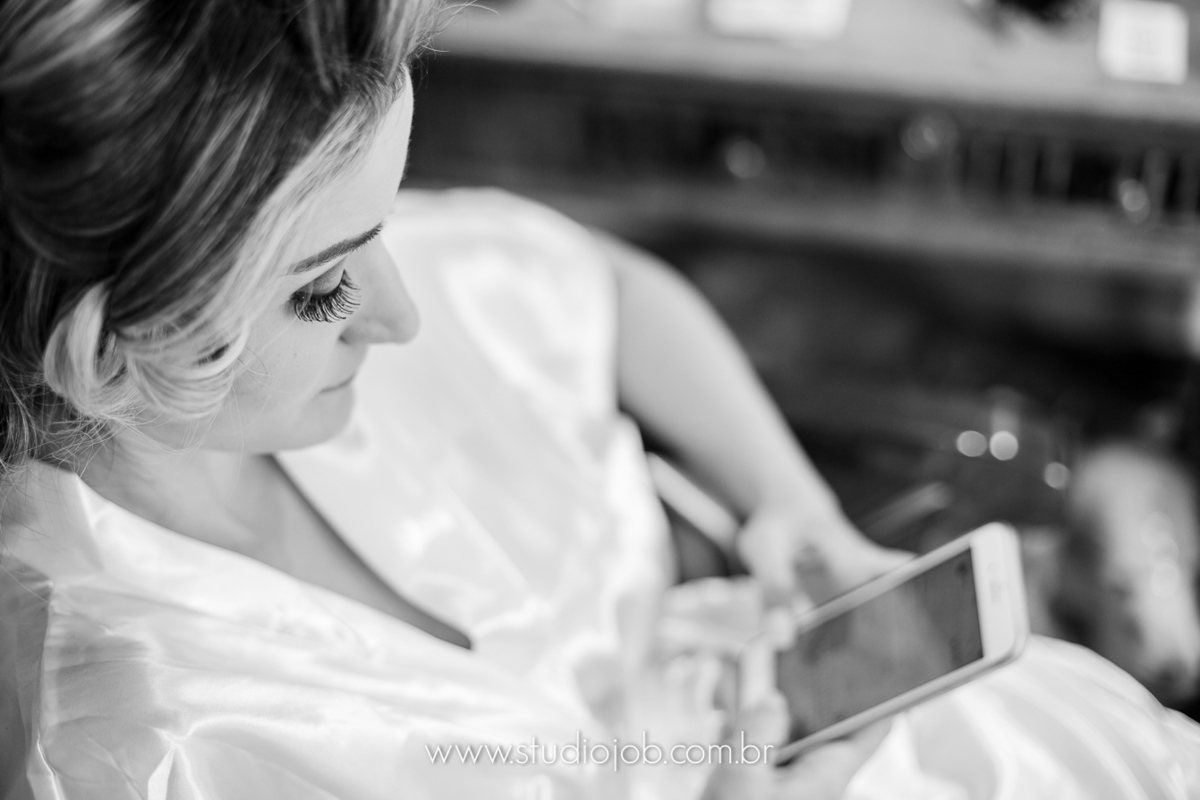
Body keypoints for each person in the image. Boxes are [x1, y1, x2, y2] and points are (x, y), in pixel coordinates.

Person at [0, 1, 1196, 798]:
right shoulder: (136, 745)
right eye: (323, 288)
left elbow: (610, 291)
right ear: (107, 354)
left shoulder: (289, 224)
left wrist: (794, 504)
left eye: (384, 224)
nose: (403, 312)